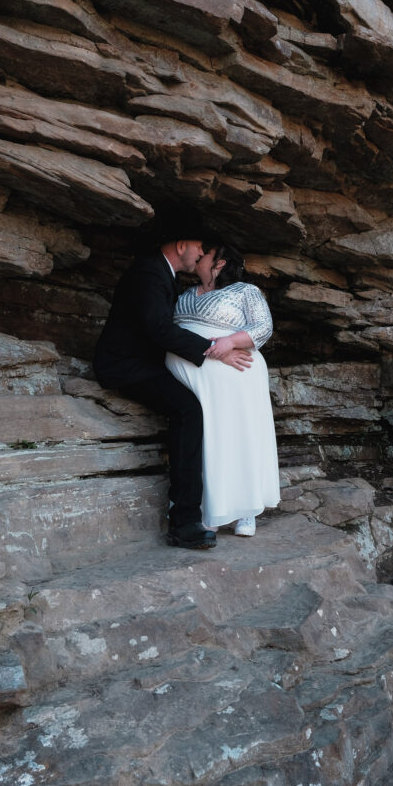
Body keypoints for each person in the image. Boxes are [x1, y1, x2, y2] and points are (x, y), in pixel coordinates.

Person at [93, 233, 252, 550]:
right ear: (182, 245)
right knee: (187, 410)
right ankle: (184, 521)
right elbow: (160, 330)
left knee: (194, 405)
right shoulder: (149, 272)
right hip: (125, 365)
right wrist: (215, 350)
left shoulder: (161, 274)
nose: (200, 255)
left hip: (144, 362)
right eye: (199, 248)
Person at [166, 243, 280, 537]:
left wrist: (230, 342)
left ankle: (247, 511)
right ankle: (211, 507)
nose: (199, 257)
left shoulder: (245, 291)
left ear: (219, 264)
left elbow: (263, 327)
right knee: (206, 440)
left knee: (238, 437)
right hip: (194, 378)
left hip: (236, 375)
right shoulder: (186, 293)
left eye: (205, 255)